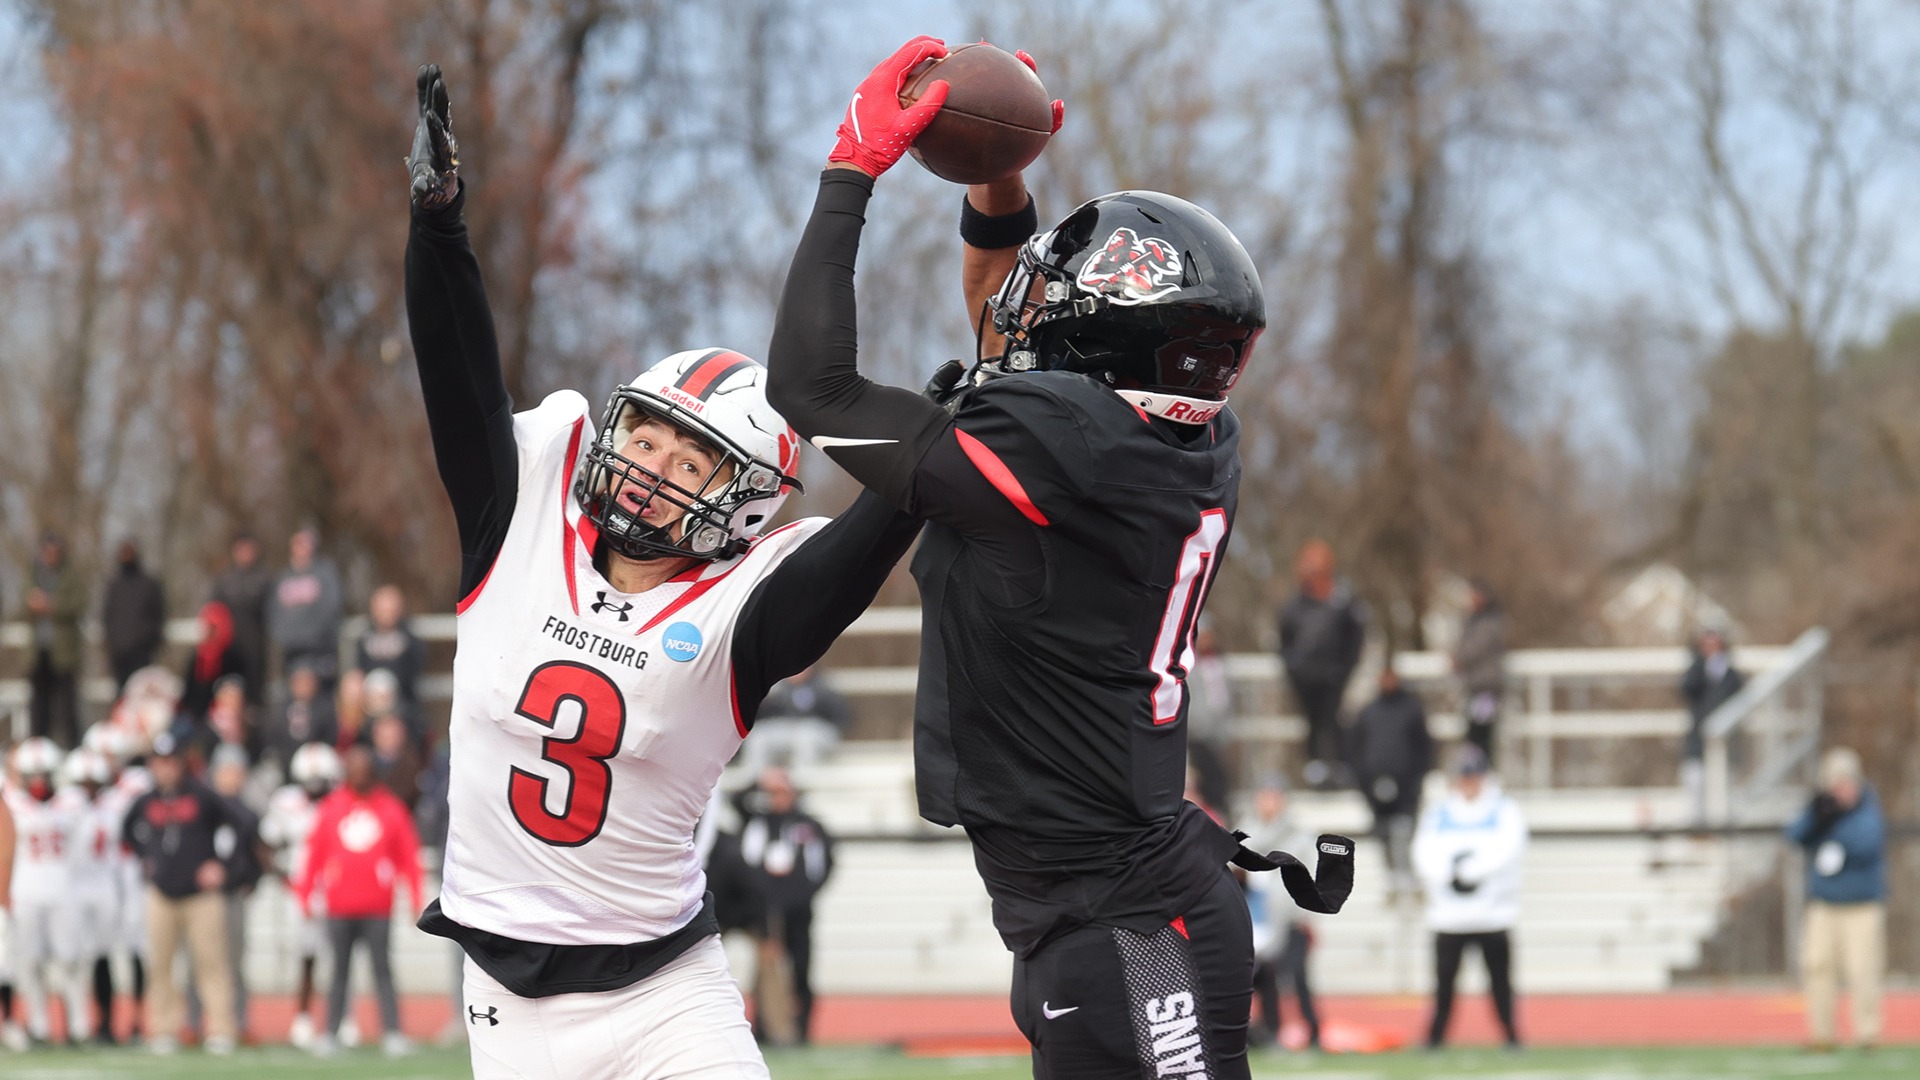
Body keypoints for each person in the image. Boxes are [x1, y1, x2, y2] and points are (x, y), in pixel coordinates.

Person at [765, 38, 1351, 1079]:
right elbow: (1007, 327)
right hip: (1101, 904)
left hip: (1131, 919)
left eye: (1056, 305)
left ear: (1100, 348)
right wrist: (998, 165)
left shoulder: (1064, 455)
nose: (1020, 315)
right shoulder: (1167, 435)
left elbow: (811, 386)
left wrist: (852, 170)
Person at [402, 63, 922, 1080]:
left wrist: (936, 448)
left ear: (744, 506)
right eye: (645, 437)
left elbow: (868, 542)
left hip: (661, 997)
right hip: (505, 1006)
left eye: (691, 464)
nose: (649, 470)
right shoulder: (518, 521)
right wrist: (438, 231)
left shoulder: (745, 605)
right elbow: (455, 379)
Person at [297, 745, 424, 1058]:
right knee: (338, 972)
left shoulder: (391, 808)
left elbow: (408, 856)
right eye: (354, 768)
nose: (359, 774)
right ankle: (330, 1032)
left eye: (364, 768)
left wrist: (415, 897)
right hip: (338, 906)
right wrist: (305, 895)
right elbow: (314, 855)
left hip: (378, 906)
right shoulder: (331, 807)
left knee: (383, 970)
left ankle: (392, 1032)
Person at [121, 731, 242, 1055]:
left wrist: (223, 866)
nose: (165, 769)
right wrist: (146, 859)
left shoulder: (202, 795)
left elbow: (242, 825)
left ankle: (220, 1028)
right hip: (161, 893)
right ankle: (163, 1028)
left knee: (211, 964)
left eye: (170, 762)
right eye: (159, 763)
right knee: (160, 965)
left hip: (201, 896)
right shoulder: (146, 800)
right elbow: (127, 832)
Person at [1412, 744, 1525, 1049]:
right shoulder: (1438, 813)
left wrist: (1474, 869)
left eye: (1474, 775)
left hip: (1493, 914)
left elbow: (1508, 850)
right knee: (1444, 984)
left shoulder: (1503, 810)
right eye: (1464, 775)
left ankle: (1512, 1035)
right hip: (1449, 917)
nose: (1469, 782)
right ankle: (1435, 1038)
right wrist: (1449, 873)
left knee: (1500, 983)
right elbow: (1423, 854)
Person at [1784, 747, 1886, 1051]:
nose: (1841, 789)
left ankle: (1867, 1035)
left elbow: (1867, 842)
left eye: (1846, 782)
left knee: (1862, 969)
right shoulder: (1820, 809)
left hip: (1860, 905)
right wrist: (1818, 817)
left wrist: (1835, 823)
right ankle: (1822, 1034)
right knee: (1817, 965)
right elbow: (1794, 835)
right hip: (1825, 903)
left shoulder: (1867, 807)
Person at [737, 768, 834, 1046]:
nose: (777, 798)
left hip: (799, 912)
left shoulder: (809, 825)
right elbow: (737, 802)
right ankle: (765, 1030)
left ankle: (802, 1032)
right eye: (773, 793)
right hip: (766, 911)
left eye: (782, 792)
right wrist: (759, 780)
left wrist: (804, 895)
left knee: (801, 968)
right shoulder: (759, 821)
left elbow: (826, 862)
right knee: (766, 969)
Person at [260, 742, 341, 1049]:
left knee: (339, 954)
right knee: (306, 954)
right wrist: (283, 876)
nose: (316, 788)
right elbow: (267, 841)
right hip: (302, 887)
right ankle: (303, 1017)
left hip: (336, 885)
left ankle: (340, 1016)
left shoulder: (341, 800)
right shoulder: (286, 802)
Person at [4, 738, 83, 1046]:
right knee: (30, 962)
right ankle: (38, 1024)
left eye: (43, 774)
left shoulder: (71, 802)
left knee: (69, 961)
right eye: (31, 775)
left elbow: (80, 850)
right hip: (26, 890)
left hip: (62, 889)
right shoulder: (11, 803)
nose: (38, 781)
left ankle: (77, 1025)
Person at [1237, 778, 1320, 1050]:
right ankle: (1265, 1032)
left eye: (1273, 797)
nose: (1269, 803)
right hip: (1254, 919)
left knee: (1297, 977)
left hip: (1289, 918)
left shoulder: (1297, 836)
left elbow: (1307, 876)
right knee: (1261, 978)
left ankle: (1313, 1031)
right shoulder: (1244, 833)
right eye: (1264, 796)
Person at [1278, 540, 1366, 789]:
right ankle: (1315, 768)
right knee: (1313, 722)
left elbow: (1355, 637)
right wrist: (1295, 669)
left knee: (1337, 720)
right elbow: (1284, 641)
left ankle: (1341, 767)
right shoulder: (1294, 606)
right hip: (1306, 678)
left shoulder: (1343, 602)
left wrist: (1345, 668)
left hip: (1336, 677)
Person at [1350, 666, 1433, 902]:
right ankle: (1391, 879)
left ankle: (1408, 877)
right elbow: (1355, 749)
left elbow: (1424, 748)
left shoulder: (1411, 709)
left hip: (1407, 789)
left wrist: (1415, 779)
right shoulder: (1368, 712)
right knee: (1383, 833)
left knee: (1404, 832)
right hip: (1374, 789)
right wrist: (1365, 781)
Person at [59, 747, 124, 1044]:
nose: (87, 790)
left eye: (92, 784)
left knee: (101, 956)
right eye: (82, 784)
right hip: (73, 886)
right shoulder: (65, 808)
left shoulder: (113, 806)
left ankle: (106, 1024)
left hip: (103, 884)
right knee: (71, 958)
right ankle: (75, 1024)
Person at [25, 532, 89, 748]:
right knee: (39, 704)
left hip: (64, 652)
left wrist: (53, 606)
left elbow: (80, 603)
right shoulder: (34, 575)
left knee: (67, 705)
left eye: (54, 552)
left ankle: (72, 747)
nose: (50, 556)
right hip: (39, 650)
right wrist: (32, 604)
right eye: (47, 552)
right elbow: (23, 602)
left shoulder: (71, 575)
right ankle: (38, 747)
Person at [736, 665, 854, 775]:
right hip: (784, 728)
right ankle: (754, 783)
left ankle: (803, 784)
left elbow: (840, 717)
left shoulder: (823, 688)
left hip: (814, 730)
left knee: (806, 738)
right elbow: (760, 716)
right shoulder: (776, 689)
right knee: (757, 737)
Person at [1679, 627, 1743, 824]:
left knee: (1726, 787)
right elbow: (1686, 689)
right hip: (1699, 740)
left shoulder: (1731, 675)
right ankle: (1698, 826)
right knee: (1696, 783)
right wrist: (1700, 665)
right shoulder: (1697, 671)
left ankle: (1724, 825)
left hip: (1726, 742)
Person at [269, 528, 345, 689]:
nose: (303, 548)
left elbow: (332, 606)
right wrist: (284, 637)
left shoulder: (325, 574)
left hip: (320, 649)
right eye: (299, 543)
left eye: (307, 543)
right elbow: (273, 613)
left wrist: (314, 635)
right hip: (291, 651)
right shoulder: (282, 577)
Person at [209, 532, 274, 709]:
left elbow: (273, 614)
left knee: (254, 699)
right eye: (241, 549)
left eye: (249, 549)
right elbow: (213, 614)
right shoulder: (224, 580)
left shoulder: (265, 579)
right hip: (228, 648)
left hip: (255, 648)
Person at [102, 539, 169, 697]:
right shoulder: (114, 586)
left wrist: (149, 643)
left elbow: (158, 616)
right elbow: (107, 617)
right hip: (119, 654)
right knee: (121, 698)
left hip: (143, 654)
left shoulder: (149, 585)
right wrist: (113, 643)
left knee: (142, 698)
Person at [1450, 580, 1507, 765]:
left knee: (1481, 733)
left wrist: (1459, 658)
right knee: (1474, 733)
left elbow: (1476, 646)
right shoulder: (1472, 619)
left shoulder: (1489, 621)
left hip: (1486, 687)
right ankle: (1476, 773)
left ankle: (1483, 774)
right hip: (1476, 687)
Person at [1184, 622, 1237, 813]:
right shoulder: (1189, 666)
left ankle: (1220, 811)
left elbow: (1224, 698)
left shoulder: (1220, 663)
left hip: (1217, 732)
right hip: (1197, 733)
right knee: (1202, 777)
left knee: (1220, 777)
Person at [355, 584, 425, 718]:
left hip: (401, 701)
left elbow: (414, 672)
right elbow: (359, 670)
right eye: (382, 609)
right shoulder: (365, 638)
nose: (386, 614)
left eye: (390, 608)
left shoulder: (410, 639)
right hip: (368, 700)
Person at [267, 663, 337, 768]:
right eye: (299, 682)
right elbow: (274, 737)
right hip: (285, 760)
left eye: (307, 682)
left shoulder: (325, 709)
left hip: (315, 760)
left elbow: (330, 737)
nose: (304, 686)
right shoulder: (281, 708)